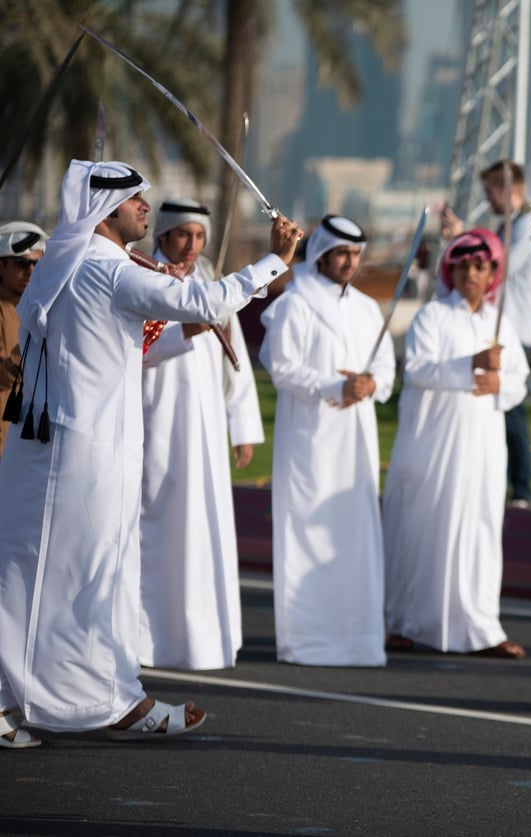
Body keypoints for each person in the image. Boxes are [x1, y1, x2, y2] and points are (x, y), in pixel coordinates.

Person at [0, 160, 300, 748]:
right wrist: (275, 260)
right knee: (78, 578)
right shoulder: (104, 268)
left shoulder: (64, 261)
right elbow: (206, 301)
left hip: (63, 448)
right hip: (79, 452)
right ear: (103, 210)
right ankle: (95, 701)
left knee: (51, 574)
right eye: (135, 198)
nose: (144, 206)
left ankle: (103, 696)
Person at [382, 229, 529, 659]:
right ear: (451, 270)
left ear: (491, 273)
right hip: (434, 447)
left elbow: (518, 380)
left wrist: (500, 383)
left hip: (483, 447)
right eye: (462, 265)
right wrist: (471, 365)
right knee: (422, 530)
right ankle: (404, 622)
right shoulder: (432, 316)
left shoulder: (499, 323)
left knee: (480, 531)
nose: (470, 273)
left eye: (479, 266)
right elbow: (418, 370)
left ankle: (481, 628)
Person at [259, 214, 395, 667]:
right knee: (307, 532)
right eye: (341, 254)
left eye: (355, 254)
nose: (350, 262)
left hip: (357, 439)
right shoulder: (296, 303)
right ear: (321, 254)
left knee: (355, 536)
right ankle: (306, 640)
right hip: (310, 438)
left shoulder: (367, 308)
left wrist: (370, 385)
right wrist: (336, 387)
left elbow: (386, 367)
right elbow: (282, 368)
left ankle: (359, 641)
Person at [135, 198, 264, 670]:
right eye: (183, 235)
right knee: (157, 532)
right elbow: (136, 351)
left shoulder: (213, 288)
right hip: (157, 427)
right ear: (163, 236)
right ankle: (148, 640)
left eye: (199, 236)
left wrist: (241, 427)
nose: (192, 245)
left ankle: (204, 641)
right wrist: (184, 332)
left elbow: (236, 366)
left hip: (206, 432)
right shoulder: (145, 281)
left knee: (206, 530)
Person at [441, 160, 531, 508]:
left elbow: (498, 267)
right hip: (494, 329)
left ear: (510, 189)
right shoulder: (506, 225)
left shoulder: (528, 225)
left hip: (514, 333)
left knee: (511, 412)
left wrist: (462, 239)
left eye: (490, 191)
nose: (487, 199)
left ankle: (522, 491)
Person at [0, 220, 48, 458]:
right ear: (1, 266)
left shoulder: (41, 311)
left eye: (37, 264)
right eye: (22, 263)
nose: (30, 271)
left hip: (30, 440)